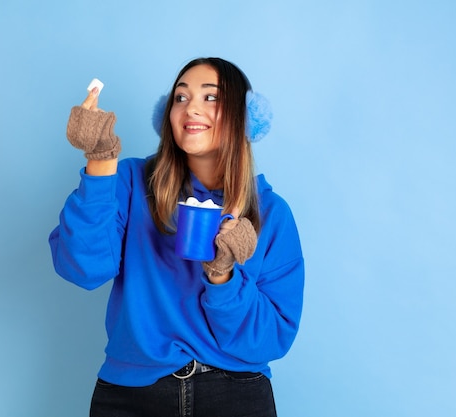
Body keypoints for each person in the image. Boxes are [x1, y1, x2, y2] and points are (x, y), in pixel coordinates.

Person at [48, 57, 304, 417]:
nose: (191, 107)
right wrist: (100, 162)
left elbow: (272, 337)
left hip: (234, 396)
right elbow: (82, 269)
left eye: (210, 97)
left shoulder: (271, 214)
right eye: (180, 98)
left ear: (244, 116)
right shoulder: (131, 181)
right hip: (130, 395)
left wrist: (223, 277)